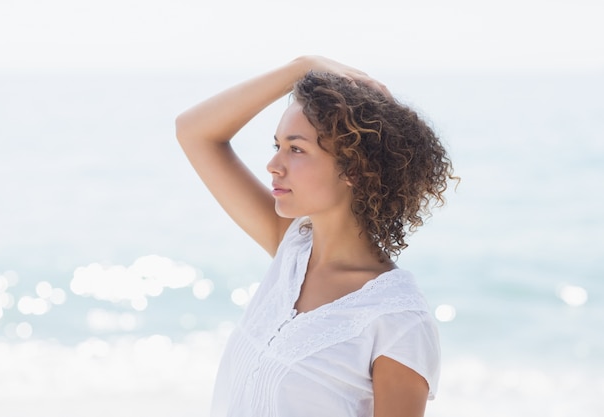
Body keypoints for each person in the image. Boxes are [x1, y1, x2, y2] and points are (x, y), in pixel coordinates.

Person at [175, 55, 456, 417]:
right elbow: (193, 132)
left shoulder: (397, 321)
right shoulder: (291, 249)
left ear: (354, 168)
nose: (274, 165)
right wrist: (300, 67)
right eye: (276, 146)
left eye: (296, 149)